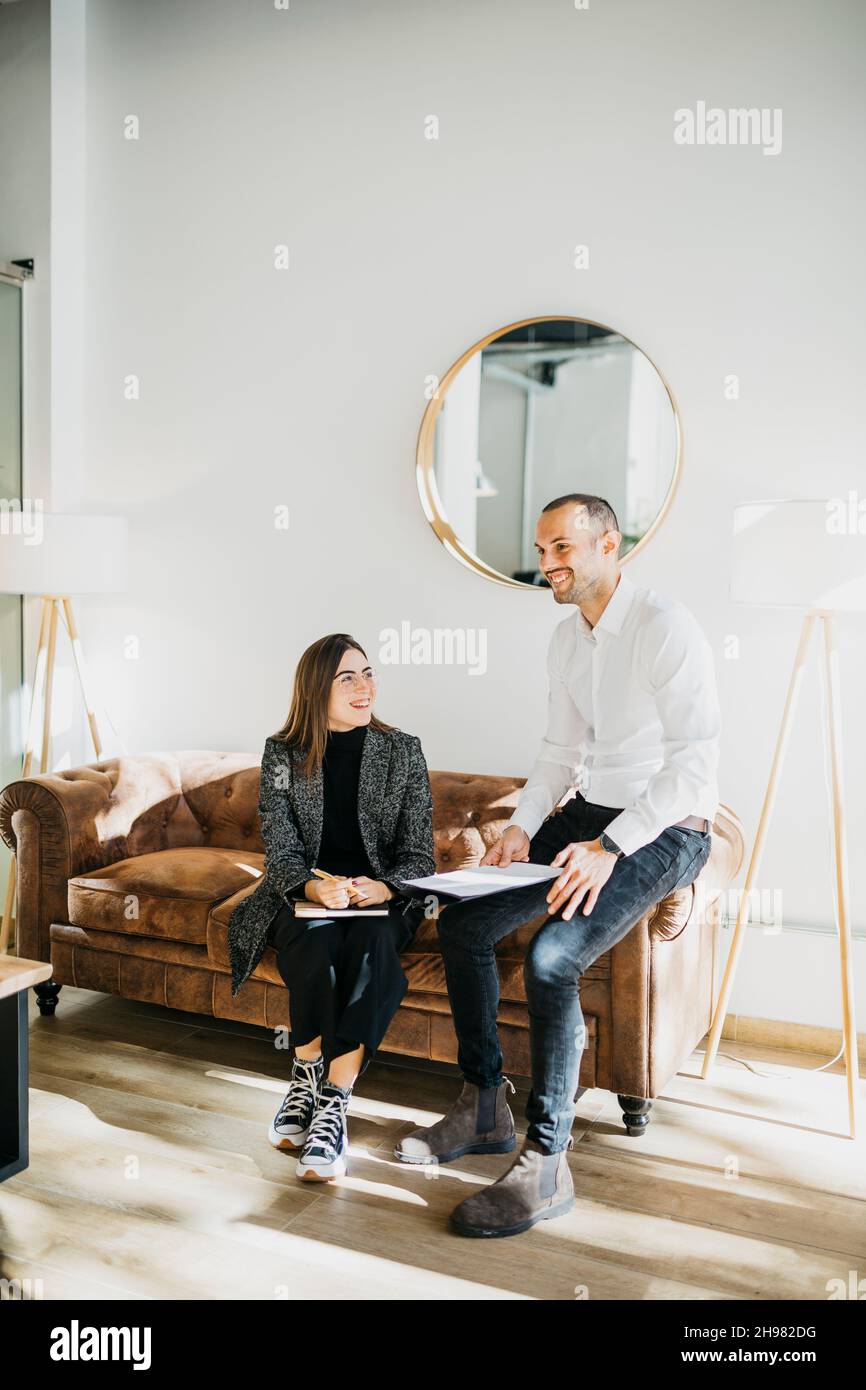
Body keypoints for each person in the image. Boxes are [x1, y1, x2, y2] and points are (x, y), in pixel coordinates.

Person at [395, 494, 720, 1239]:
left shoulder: (665, 625)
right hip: (589, 812)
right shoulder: (567, 641)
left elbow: (695, 764)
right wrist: (522, 827)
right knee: (467, 922)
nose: (548, 566)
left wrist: (610, 847)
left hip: (667, 826)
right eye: (542, 551)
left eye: (563, 549)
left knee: (552, 957)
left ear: (610, 545)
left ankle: (547, 1162)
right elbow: (557, 752)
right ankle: (483, 1104)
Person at [227, 633, 435, 1181]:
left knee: (370, 951)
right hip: (307, 893)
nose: (365, 687)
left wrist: (384, 888)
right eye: (349, 677)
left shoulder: (403, 750)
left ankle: (334, 1103)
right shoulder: (282, 753)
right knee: (315, 943)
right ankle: (304, 1076)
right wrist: (313, 889)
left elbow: (420, 855)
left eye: (368, 674)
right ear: (317, 688)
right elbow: (280, 846)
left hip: (383, 899)